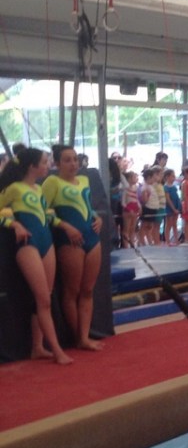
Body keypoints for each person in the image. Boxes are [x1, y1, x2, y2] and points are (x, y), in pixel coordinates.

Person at [0, 147, 72, 364]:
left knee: (45, 298)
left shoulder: (39, 189)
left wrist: (66, 226)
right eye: (43, 162)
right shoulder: (14, 189)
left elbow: (47, 215)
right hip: (28, 245)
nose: (47, 165)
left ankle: (38, 347)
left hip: (46, 242)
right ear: (32, 166)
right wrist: (14, 225)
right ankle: (57, 350)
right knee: (43, 299)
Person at [40, 145, 105, 351]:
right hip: (70, 241)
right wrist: (65, 226)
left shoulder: (84, 180)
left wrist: (98, 217)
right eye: (67, 160)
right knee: (72, 291)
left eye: (75, 159)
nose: (73, 164)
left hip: (92, 238)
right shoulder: (52, 182)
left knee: (88, 290)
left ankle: (85, 336)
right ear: (57, 163)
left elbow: (87, 206)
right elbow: (43, 210)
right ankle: (79, 337)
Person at [162, 169, 182, 243]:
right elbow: (168, 199)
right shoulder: (166, 187)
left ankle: (176, 239)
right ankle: (167, 240)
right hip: (169, 208)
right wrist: (173, 209)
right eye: (172, 176)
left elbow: (176, 197)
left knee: (174, 224)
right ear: (167, 177)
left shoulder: (173, 187)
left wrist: (178, 207)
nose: (174, 178)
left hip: (176, 206)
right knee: (169, 224)